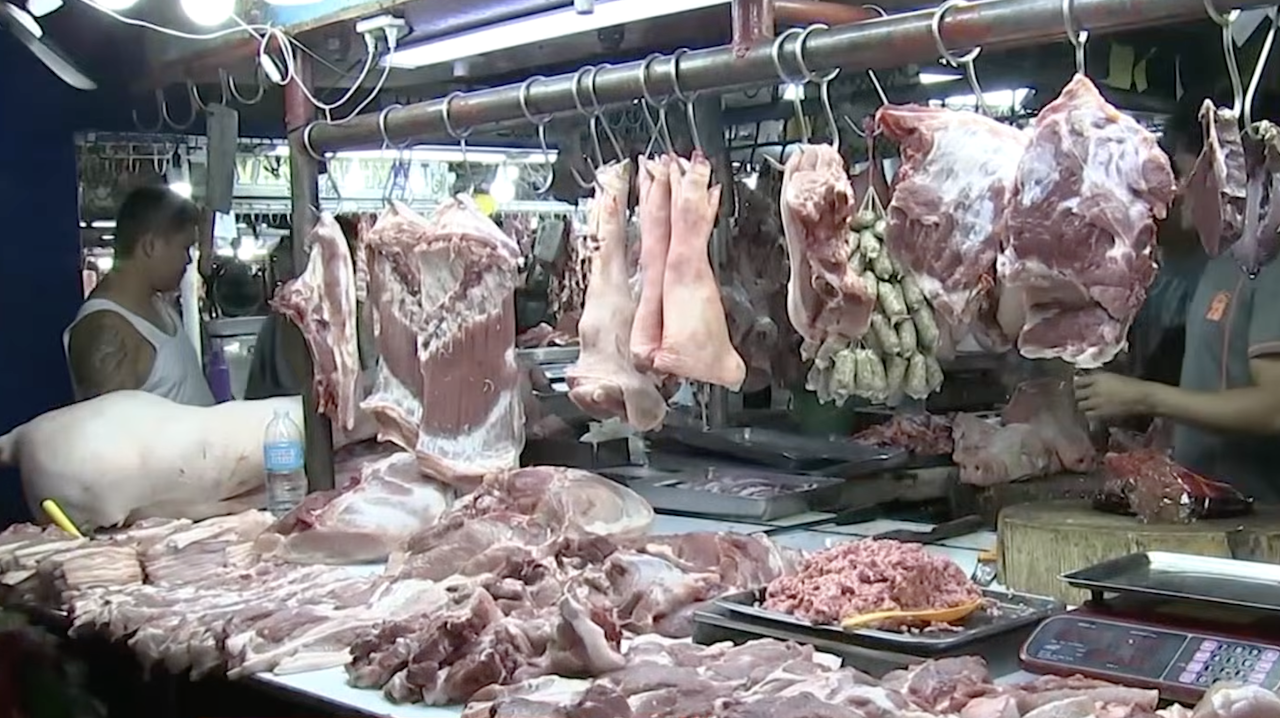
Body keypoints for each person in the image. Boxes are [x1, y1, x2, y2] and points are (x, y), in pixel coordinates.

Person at [1075, 92, 1280, 502]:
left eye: (1186, 173)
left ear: (1233, 171)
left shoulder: (1270, 264)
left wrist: (1144, 396)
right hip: (1209, 507)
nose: (1178, 190)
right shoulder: (1220, 259)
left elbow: (1274, 407)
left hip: (1262, 518)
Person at [64, 185, 215, 406]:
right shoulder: (106, 327)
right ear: (150, 246)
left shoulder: (157, 304)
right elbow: (109, 434)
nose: (188, 260)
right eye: (185, 248)